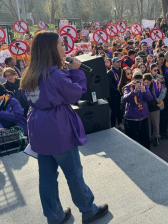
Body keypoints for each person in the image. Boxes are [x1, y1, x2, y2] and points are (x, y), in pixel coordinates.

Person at [20, 31, 108, 224]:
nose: (64, 48)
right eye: (61, 44)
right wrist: (76, 71)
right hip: (57, 127)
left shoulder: (29, 74)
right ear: (52, 49)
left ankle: (54, 216)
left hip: (37, 127)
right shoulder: (56, 75)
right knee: (73, 172)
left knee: (47, 177)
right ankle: (88, 209)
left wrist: (65, 71)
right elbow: (75, 93)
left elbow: (49, 89)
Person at [123, 69, 153, 149]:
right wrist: (134, 92)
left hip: (143, 116)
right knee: (132, 138)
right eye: (136, 77)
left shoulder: (144, 86)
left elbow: (150, 98)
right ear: (133, 78)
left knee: (145, 137)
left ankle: (147, 153)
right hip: (132, 116)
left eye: (140, 77)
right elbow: (125, 98)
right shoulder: (128, 86)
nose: (138, 79)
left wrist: (145, 91)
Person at [143, 73, 166, 147]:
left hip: (155, 107)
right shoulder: (142, 86)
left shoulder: (156, 85)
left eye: (148, 82)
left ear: (151, 81)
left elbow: (163, 93)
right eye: (145, 82)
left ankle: (156, 137)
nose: (146, 84)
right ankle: (149, 137)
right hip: (146, 107)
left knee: (156, 124)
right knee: (148, 124)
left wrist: (158, 100)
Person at [107, 57, 123, 128]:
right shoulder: (109, 73)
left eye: (120, 62)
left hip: (121, 93)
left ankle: (120, 123)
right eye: (117, 62)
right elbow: (110, 84)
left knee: (120, 109)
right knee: (114, 110)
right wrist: (117, 89)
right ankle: (113, 125)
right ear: (113, 63)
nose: (119, 63)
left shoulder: (121, 71)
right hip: (113, 94)